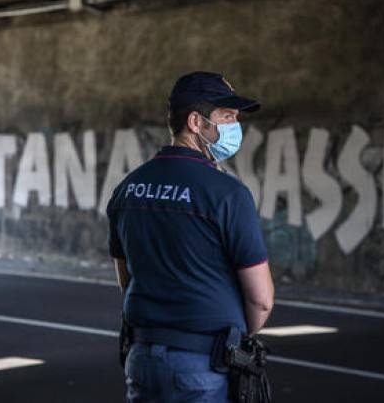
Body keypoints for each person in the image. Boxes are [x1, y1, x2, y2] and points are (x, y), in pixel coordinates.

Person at [106, 71, 274, 402]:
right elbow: (261, 298)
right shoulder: (227, 194)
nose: (234, 125)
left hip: (141, 360)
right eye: (226, 116)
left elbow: (126, 279)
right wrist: (237, 335)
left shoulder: (127, 189)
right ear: (195, 122)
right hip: (202, 366)